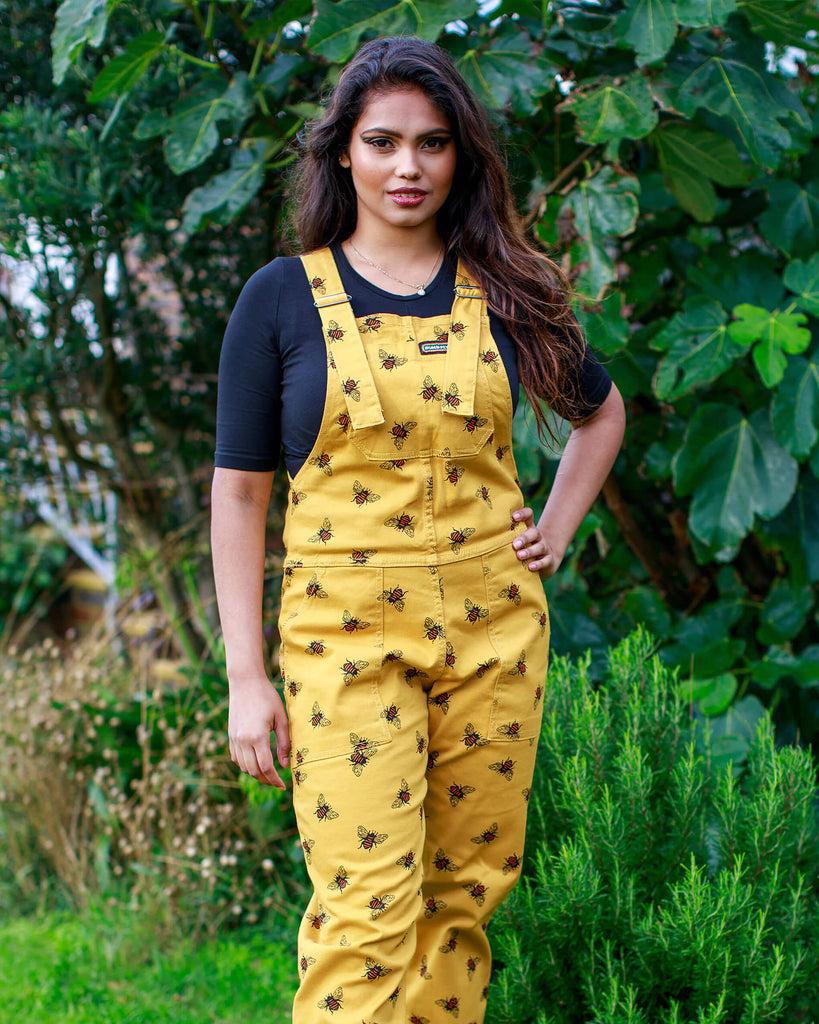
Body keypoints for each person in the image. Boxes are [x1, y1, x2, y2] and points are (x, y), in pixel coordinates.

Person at [211, 35, 625, 1024]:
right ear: (343, 153)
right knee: (365, 909)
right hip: (344, 647)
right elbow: (237, 495)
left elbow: (600, 413)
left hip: (497, 638)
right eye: (384, 141)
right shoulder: (280, 300)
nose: (408, 167)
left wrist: (555, 530)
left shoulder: (507, 291)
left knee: (463, 899)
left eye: (433, 144)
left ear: (460, 157)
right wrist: (245, 677)